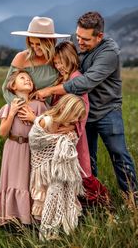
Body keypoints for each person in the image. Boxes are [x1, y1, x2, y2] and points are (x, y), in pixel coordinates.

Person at [34, 11, 138, 206]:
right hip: (82, 113)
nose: (79, 42)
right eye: (78, 36)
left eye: (85, 39)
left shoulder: (109, 53)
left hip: (108, 111)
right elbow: (60, 58)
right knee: (85, 161)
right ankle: (91, 202)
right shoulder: (77, 41)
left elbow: (85, 82)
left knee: (119, 155)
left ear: (99, 36)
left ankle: (134, 202)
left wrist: (50, 90)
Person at [52, 41, 109, 205]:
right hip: (59, 132)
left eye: (61, 62)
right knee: (65, 170)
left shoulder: (76, 78)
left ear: (70, 59)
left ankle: (101, 201)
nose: (58, 66)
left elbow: (83, 107)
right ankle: (73, 204)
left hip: (73, 133)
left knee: (81, 170)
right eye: (55, 62)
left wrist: (72, 127)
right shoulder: (60, 78)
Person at [28, 94, 86, 240]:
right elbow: (35, 142)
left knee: (60, 191)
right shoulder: (45, 121)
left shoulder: (68, 126)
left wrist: (68, 136)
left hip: (60, 167)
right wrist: (60, 139)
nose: (76, 120)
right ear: (66, 110)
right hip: (44, 167)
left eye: (78, 117)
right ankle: (46, 230)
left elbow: (71, 142)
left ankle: (61, 226)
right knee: (46, 196)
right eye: (75, 115)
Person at [0, 70, 47, 227]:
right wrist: (12, 113)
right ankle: (12, 219)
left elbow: (47, 128)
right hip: (13, 149)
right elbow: (3, 133)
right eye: (22, 78)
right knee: (14, 181)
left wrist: (34, 119)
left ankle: (31, 220)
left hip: (32, 149)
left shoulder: (39, 105)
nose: (27, 80)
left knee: (29, 182)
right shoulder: (9, 107)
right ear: (12, 85)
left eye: (30, 79)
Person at [2, 16, 70, 106]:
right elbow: (7, 88)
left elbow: (69, 82)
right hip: (25, 111)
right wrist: (22, 107)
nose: (34, 48)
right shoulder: (22, 58)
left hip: (52, 112)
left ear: (50, 42)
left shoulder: (57, 59)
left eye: (38, 44)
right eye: (31, 43)